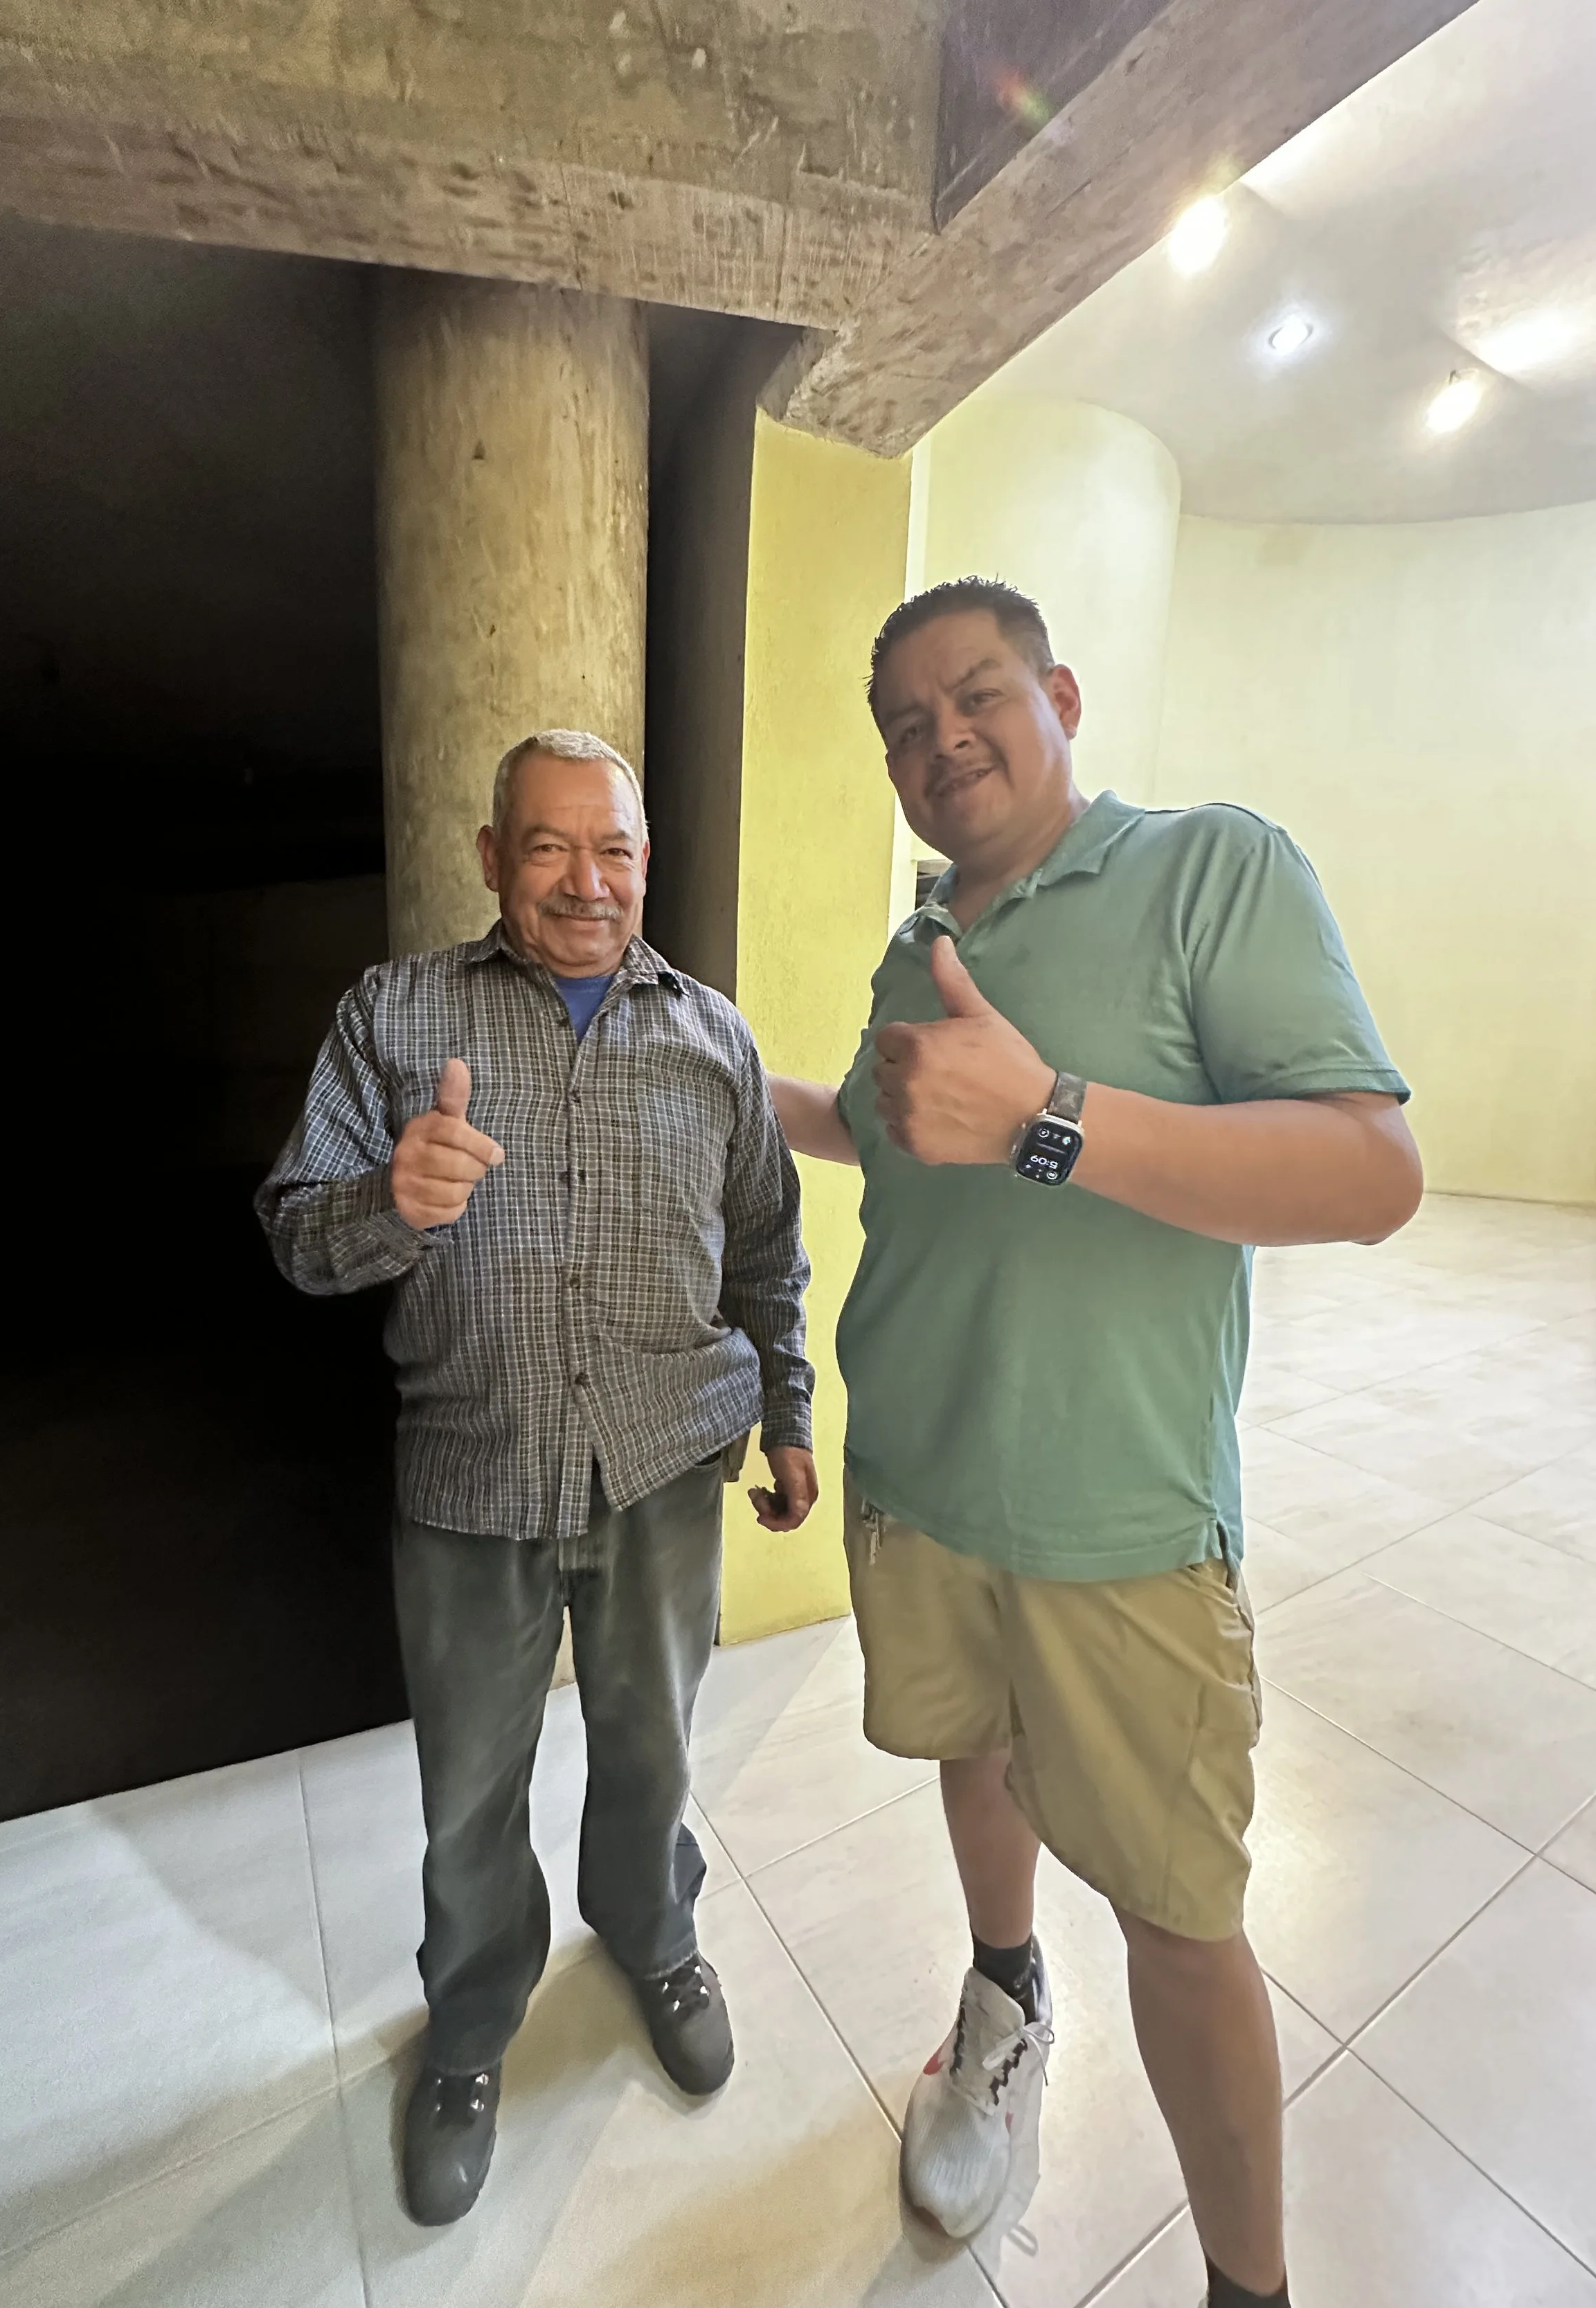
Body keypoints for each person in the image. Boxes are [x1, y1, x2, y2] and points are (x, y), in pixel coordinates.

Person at [769, 579, 1420, 2308]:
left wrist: (1049, 1117)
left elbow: (1368, 1172)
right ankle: (1001, 1996)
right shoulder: (922, 944)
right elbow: (895, 1133)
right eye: (903, 725)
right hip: (916, 1479)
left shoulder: (1209, 868)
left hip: (1117, 1523)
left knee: (1178, 1916)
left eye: (974, 694)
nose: (939, 739)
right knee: (966, 1756)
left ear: (1058, 693)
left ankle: (1246, 2286)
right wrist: (730, 1085)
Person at [258, 728, 818, 2226]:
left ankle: (651, 1930)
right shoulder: (395, 1016)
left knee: (654, 1746)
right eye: (550, 845)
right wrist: (387, 1197)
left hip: (660, 1467)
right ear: (493, 853)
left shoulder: (713, 1038)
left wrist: (790, 1411)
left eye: (614, 848)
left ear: (645, 860)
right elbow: (294, 1229)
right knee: (467, 1792)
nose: (586, 880)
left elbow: (766, 1243)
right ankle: (473, 2024)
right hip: (473, 1473)